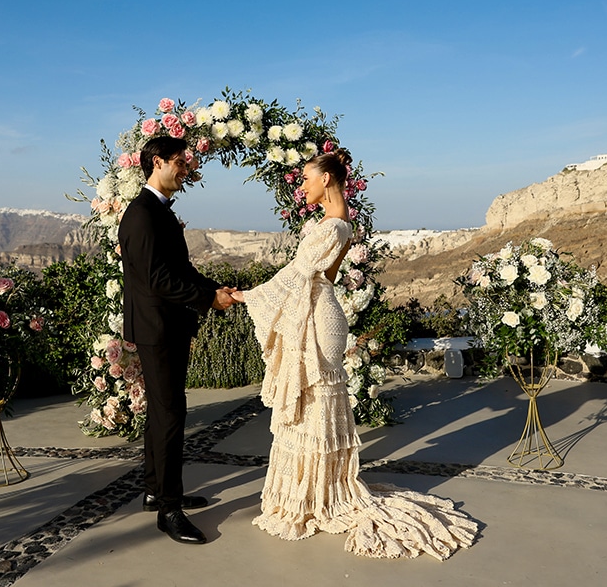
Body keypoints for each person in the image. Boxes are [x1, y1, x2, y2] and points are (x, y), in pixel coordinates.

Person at [230, 148, 478, 559]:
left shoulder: (334, 227)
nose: (302, 185)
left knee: (314, 403)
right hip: (319, 309)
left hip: (321, 320)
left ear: (327, 179)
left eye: (307, 178)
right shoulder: (331, 224)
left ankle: (318, 496)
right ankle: (311, 493)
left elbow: (299, 274)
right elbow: (322, 277)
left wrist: (248, 296)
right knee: (308, 407)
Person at [118, 135, 236, 545]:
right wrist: (208, 298)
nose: (186, 170)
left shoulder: (158, 211)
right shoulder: (142, 215)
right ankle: (169, 509)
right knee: (170, 415)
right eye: (180, 163)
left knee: (162, 411)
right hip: (158, 329)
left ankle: (156, 491)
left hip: (164, 326)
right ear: (158, 163)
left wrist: (215, 289)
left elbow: (180, 268)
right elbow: (159, 280)